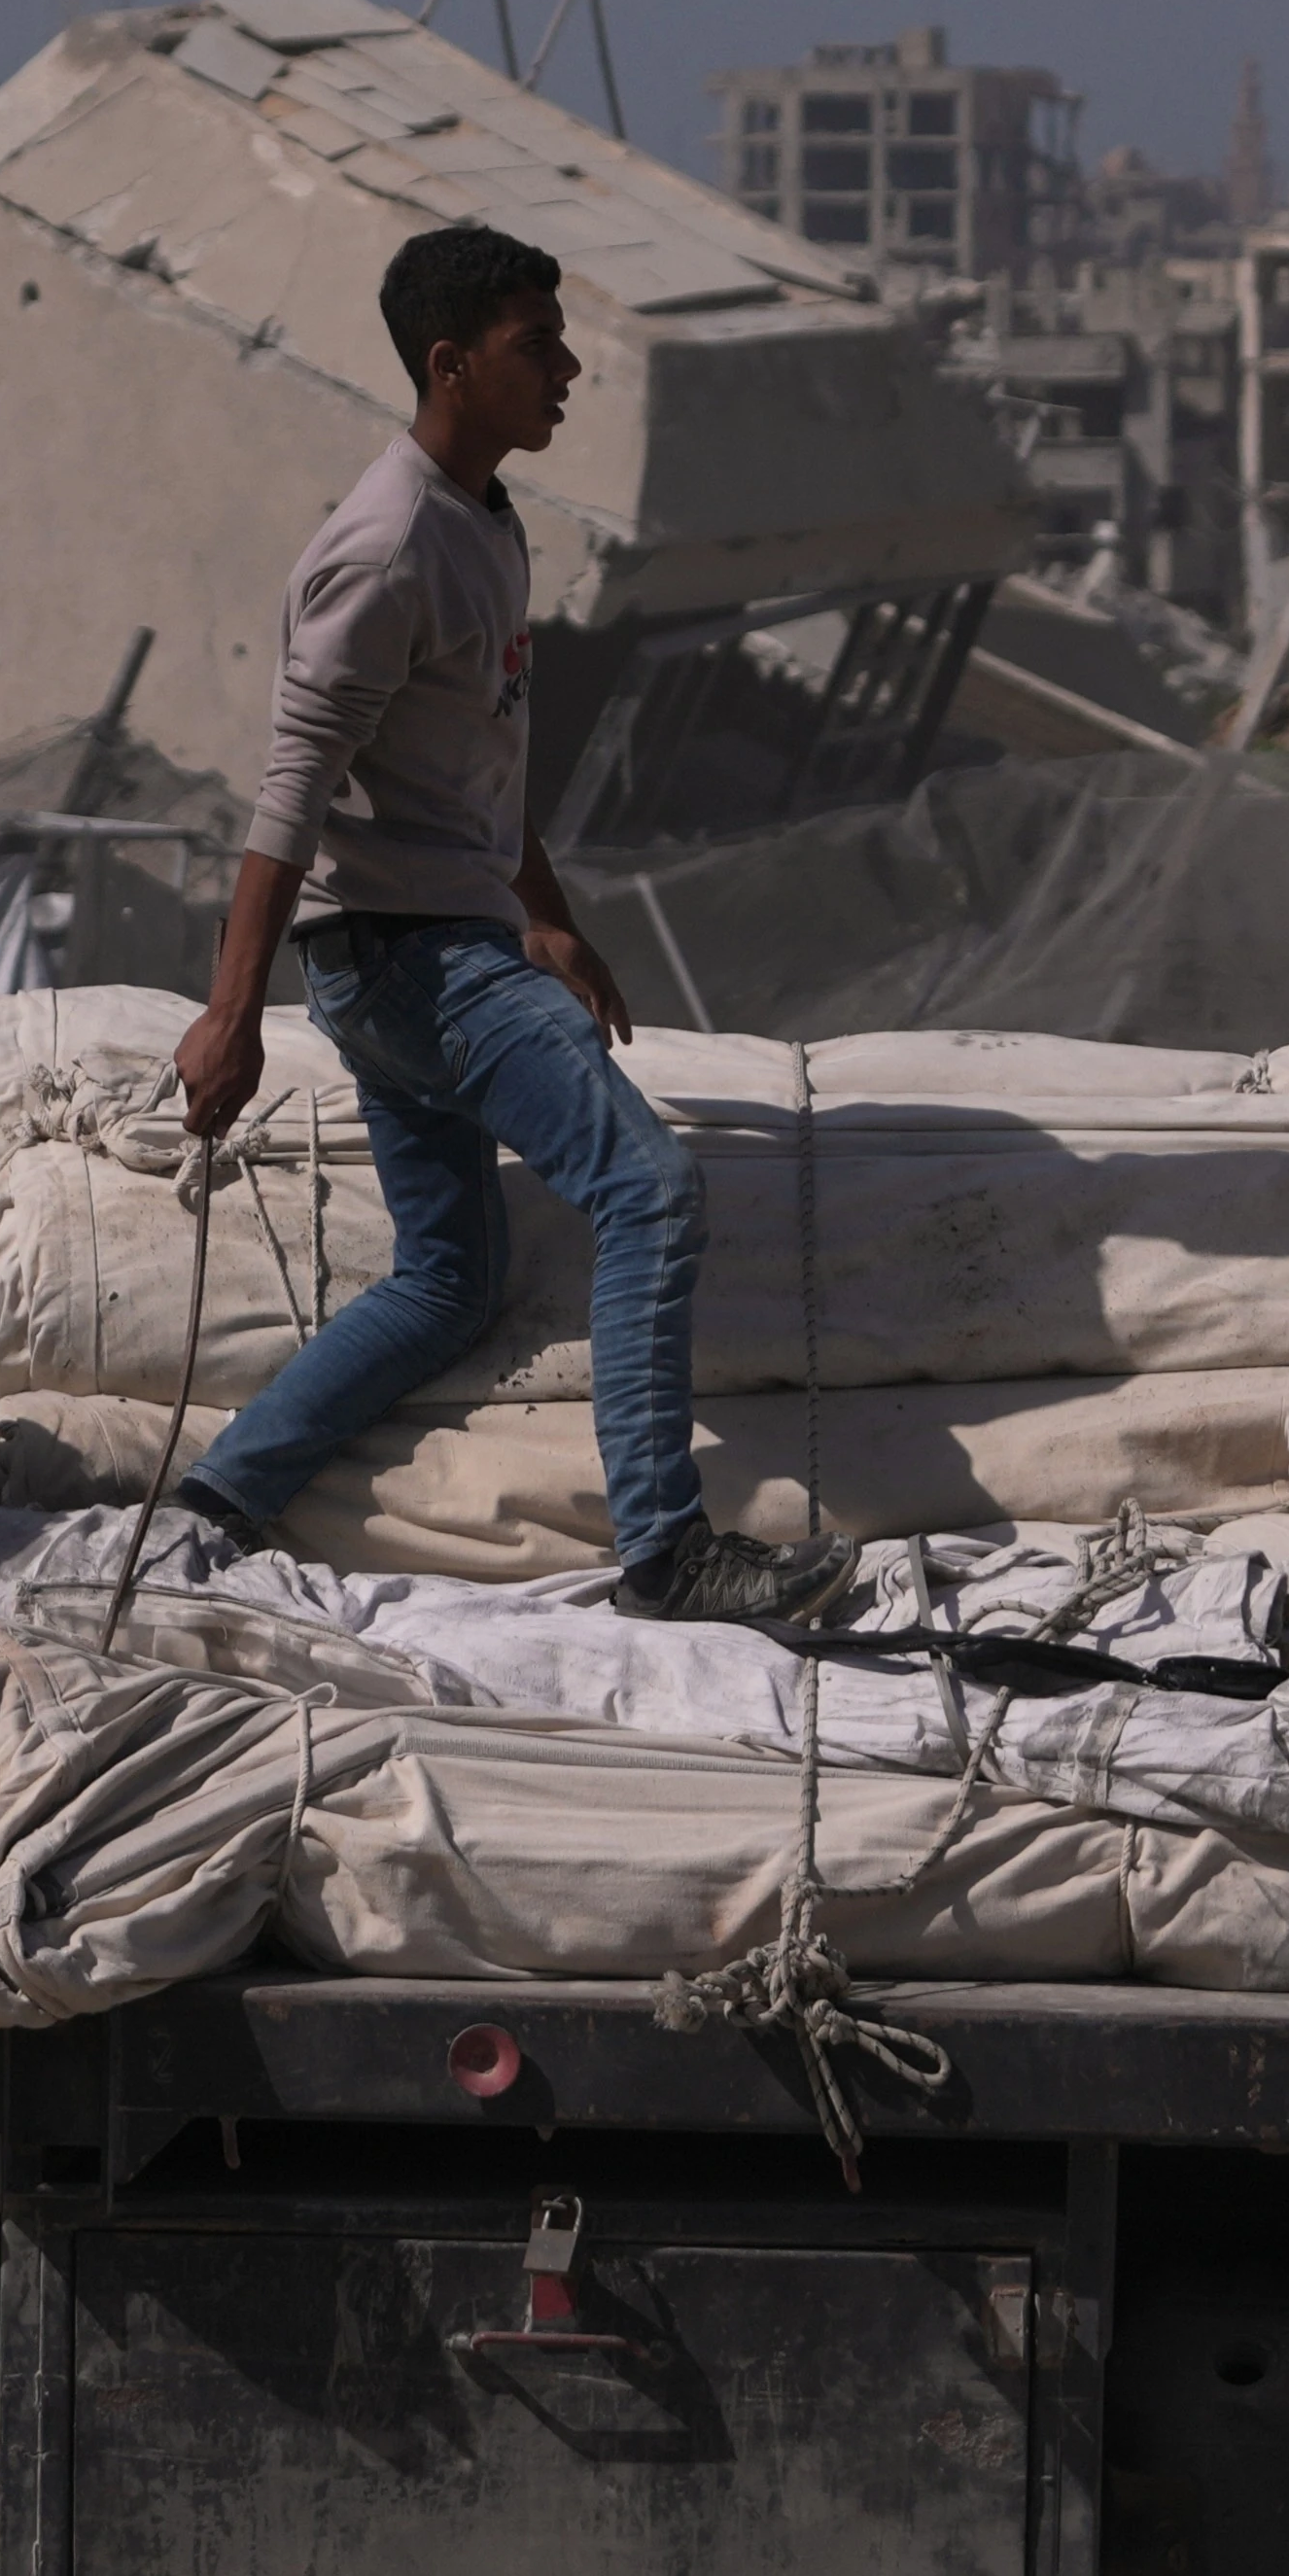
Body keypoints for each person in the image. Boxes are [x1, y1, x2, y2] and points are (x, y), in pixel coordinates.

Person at [161, 223, 848, 1625]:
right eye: (539, 343)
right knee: (649, 1187)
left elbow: (472, 757)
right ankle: (666, 1552)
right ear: (450, 362)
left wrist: (547, 913)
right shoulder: (387, 546)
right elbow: (289, 791)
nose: (570, 369)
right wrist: (229, 1013)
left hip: (445, 939)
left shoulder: (484, 520)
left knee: (452, 1279)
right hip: (413, 960)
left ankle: (219, 1502)